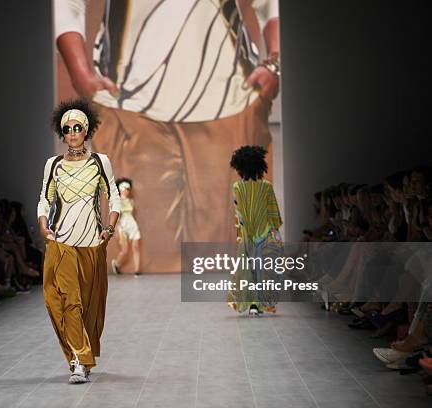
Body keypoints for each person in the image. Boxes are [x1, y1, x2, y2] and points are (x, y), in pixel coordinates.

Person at [55, 0, 280, 272]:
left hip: (227, 96)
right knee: (145, 256)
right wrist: (80, 73)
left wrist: (275, 62)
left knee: (220, 259)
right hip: (127, 101)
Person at [38, 98, 120, 384]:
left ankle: (82, 357)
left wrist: (109, 229)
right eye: (67, 128)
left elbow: (114, 197)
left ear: (87, 130)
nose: (72, 133)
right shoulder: (53, 165)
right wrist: (43, 224)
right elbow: (45, 199)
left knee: (89, 305)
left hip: (91, 243)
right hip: (61, 243)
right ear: (62, 133)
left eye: (77, 127)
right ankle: (78, 361)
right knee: (65, 301)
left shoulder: (100, 162)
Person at [226, 145, 282, 316]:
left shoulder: (237, 187)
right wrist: (274, 232)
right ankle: (259, 303)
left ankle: (252, 303)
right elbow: (273, 212)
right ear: (259, 165)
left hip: (246, 234)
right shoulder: (266, 186)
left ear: (240, 168)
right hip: (265, 233)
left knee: (248, 270)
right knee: (263, 271)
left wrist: (241, 234)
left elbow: (239, 214)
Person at [111, 178, 141, 275]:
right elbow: (115, 216)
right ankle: (116, 263)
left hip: (132, 224)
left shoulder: (131, 201)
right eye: (124, 188)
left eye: (128, 189)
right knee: (124, 250)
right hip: (122, 226)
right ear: (120, 189)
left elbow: (131, 214)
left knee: (136, 247)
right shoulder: (117, 201)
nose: (126, 190)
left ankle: (137, 271)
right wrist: (116, 229)